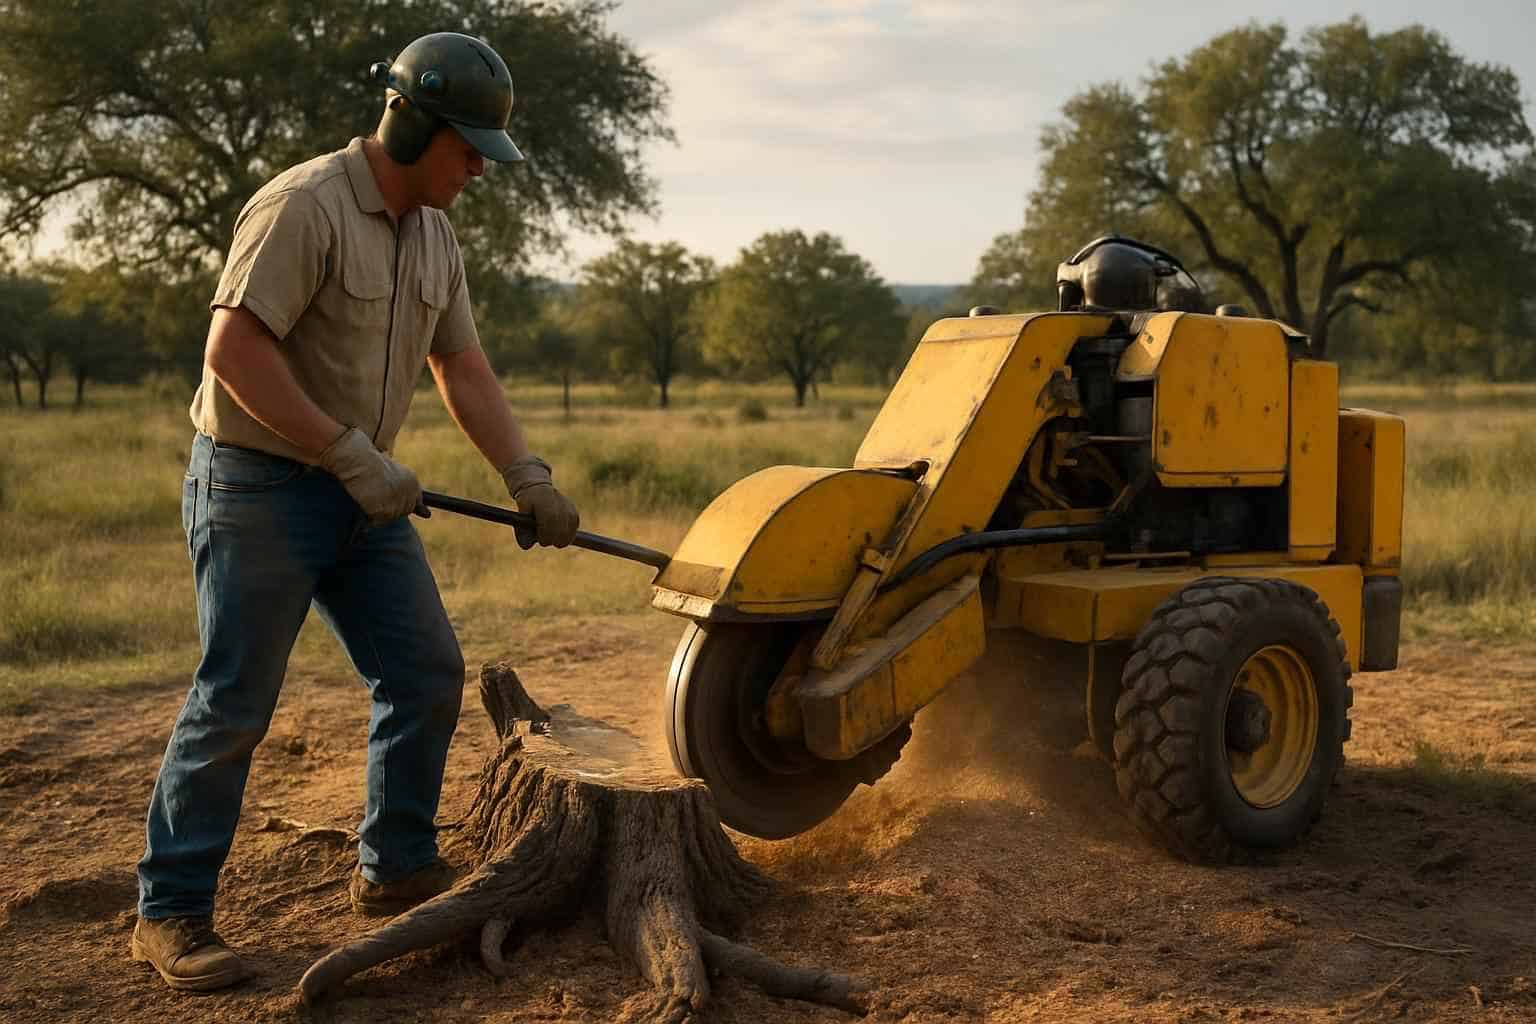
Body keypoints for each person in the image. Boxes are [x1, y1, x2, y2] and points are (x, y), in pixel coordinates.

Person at [130, 32, 578, 992]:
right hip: (258, 486)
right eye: (467, 152)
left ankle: (397, 866)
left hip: (363, 495)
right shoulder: (304, 206)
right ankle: (168, 912)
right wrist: (345, 453)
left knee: (425, 672)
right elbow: (234, 352)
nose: (475, 174)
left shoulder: (436, 235)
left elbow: (459, 365)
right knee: (237, 699)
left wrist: (525, 474)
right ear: (414, 126)